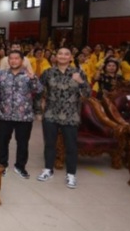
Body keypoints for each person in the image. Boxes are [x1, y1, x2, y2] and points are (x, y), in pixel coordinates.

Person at [37, 47, 91, 189]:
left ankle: (71, 174)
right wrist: (38, 110)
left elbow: (87, 94)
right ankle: (48, 169)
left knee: (71, 146)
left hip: (71, 115)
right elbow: (38, 91)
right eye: (60, 53)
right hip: (50, 113)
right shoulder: (48, 73)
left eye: (66, 54)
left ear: (70, 57)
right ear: (55, 56)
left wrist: (81, 82)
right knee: (50, 144)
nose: (62, 56)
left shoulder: (78, 72)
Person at [0, 50, 42, 178]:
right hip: (4, 114)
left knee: (22, 142)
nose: (13, 61)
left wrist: (33, 78)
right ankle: (2, 164)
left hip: (24, 116)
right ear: (8, 61)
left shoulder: (29, 74)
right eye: (11, 59)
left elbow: (39, 90)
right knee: (2, 141)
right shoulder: (1, 74)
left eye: (16, 58)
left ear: (22, 60)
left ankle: (20, 166)